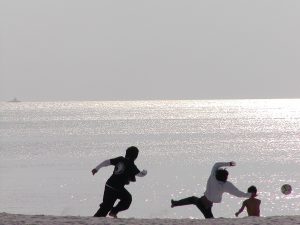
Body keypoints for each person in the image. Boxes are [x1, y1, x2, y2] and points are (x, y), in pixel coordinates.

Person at [171, 161, 253, 218]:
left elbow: (216, 165)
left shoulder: (213, 177)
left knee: (193, 200)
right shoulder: (226, 185)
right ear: (225, 177)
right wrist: (250, 195)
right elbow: (238, 193)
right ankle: (175, 203)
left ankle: (175, 203)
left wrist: (228, 164)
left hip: (203, 202)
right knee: (208, 216)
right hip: (206, 205)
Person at [92, 146, 147, 218]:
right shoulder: (131, 165)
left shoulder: (120, 159)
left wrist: (96, 168)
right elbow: (140, 175)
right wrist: (145, 172)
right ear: (135, 157)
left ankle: (107, 213)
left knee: (105, 207)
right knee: (127, 199)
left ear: (126, 154)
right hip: (117, 188)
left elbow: (106, 162)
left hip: (109, 185)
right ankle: (113, 211)